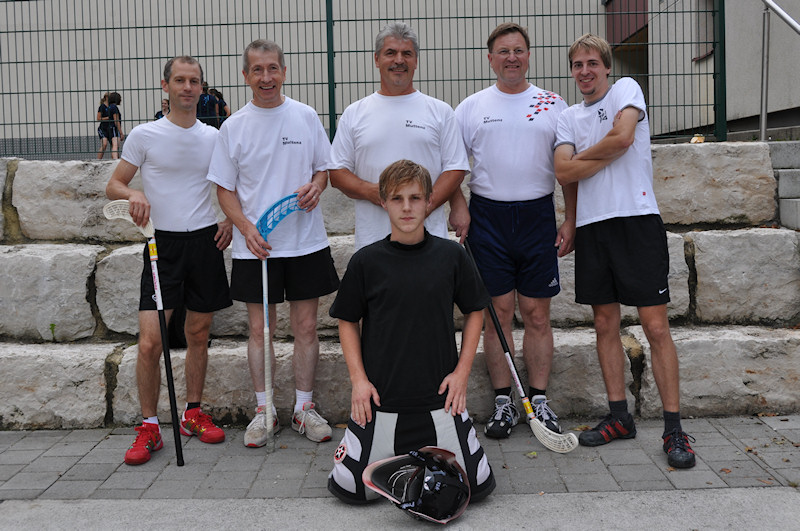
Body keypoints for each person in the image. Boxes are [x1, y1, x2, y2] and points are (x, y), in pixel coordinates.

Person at [553, 33, 696, 468]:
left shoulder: (626, 90)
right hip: (594, 229)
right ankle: (620, 417)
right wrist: (572, 217)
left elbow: (622, 139)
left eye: (592, 63)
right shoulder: (567, 117)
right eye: (577, 64)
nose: (585, 71)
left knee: (655, 327)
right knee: (604, 323)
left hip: (636, 220)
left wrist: (584, 160)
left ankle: (674, 430)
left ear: (607, 67)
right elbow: (563, 172)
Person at [328, 159, 495, 504]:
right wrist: (359, 382)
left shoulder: (451, 256)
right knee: (351, 490)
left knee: (476, 488)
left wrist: (462, 374)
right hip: (382, 400)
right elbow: (347, 321)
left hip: (439, 399)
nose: (407, 207)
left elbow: (475, 312)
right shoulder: (366, 261)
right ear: (384, 202)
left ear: (430, 201)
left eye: (416, 198)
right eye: (397, 198)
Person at [208, 39, 339, 448]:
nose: (266, 78)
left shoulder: (304, 116)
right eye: (257, 71)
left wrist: (317, 187)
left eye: (273, 69)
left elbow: (324, 170)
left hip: (305, 243)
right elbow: (224, 190)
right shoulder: (233, 127)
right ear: (245, 76)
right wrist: (245, 227)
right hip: (256, 246)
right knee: (260, 329)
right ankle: (264, 410)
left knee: (304, 327)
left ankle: (304, 408)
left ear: (284, 71)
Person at [105, 55, 233, 466]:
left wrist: (231, 219)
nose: (187, 87)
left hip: (204, 243)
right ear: (166, 86)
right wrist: (134, 195)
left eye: (194, 81)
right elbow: (114, 184)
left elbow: (233, 186)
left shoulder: (214, 137)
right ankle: (148, 426)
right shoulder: (145, 135)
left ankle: (192, 413)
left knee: (198, 332)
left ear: (201, 87)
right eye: (180, 80)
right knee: (149, 342)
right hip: (162, 246)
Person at [452, 22, 577, 440]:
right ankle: (505, 402)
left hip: (537, 217)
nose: (511, 58)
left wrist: (570, 217)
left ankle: (538, 399)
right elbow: (454, 166)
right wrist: (459, 206)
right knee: (497, 314)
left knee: (537, 313)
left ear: (528, 55)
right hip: (487, 218)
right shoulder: (470, 107)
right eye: (503, 51)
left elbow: (568, 171)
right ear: (490, 59)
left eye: (518, 50)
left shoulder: (552, 103)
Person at [329, 21, 469, 251]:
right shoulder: (354, 113)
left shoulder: (440, 111)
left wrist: (423, 205)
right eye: (390, 53)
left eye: (407, 54)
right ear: (377, 59)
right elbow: (337, 173)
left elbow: (455, 169)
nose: (399, 60)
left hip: (430, 241)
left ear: (415, 61)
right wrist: (374, 192)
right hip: (373, 244)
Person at [107, 91, 124, 159]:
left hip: (109, 128)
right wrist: (121, 132)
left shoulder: (109, 107)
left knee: (113, 145)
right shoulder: (114, 107)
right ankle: (115, 160)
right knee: (115, 145)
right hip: (114, 128)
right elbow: (116, 120)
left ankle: (114, 159)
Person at [96, 92, 112, 159]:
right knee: (104, 144)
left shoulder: (112, 106)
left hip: (111, 128)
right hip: (103, 128)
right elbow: (98, 118)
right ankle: (98, 160)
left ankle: (114, 160)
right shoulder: (102, 107)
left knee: (114, 145)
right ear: (106, 97)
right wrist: (107, 118)